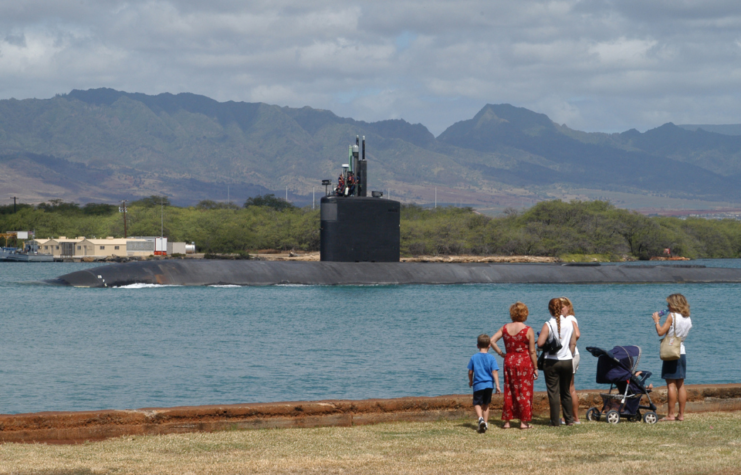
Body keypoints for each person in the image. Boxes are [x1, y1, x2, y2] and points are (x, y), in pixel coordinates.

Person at [490, 302, 538, 429]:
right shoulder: (528, 330)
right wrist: (536, 367)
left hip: (509, 361)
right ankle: (524, 422)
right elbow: (532, 351)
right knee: (524, 391)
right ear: (525, 313)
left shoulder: (505, 328)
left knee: (509, 391)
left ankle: (507, 422)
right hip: (524, 362)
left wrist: (501, 353)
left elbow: (491, 341)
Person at [537, 298, 577, 427]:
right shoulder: (570, 323)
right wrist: (568, 354)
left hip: (551, 361)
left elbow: (540, 343)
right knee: (566, 391)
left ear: (550, 309)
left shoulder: (548, 324)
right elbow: (573, 343)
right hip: (567, 361)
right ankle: (569, 420)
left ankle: (555, 421)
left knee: (553, 392)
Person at [653, 293, 692, 422]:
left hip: (671, 351)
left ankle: (670, 414)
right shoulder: (687, 318)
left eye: (669, 304)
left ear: (675, 305)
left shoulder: (672, 316)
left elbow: (660, 332)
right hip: (681, 350)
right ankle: (680, 415)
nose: (667, 306)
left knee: (670, 384)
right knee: (680, 384)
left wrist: (656, 321)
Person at [467, 334, 501, 433]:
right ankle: (485, 423)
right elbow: (494, 371)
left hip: (478, 384)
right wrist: (498, 386)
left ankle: (480, 419)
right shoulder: (491, 358)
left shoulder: (474, 357)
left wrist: (471, 381)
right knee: (486, 404)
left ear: (477, 346)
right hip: (489, 385)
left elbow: (470, 372)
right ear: (489, 345)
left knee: (477, 403)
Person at [560, 297, 581, 424]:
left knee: (568, 388)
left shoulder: (570, 318)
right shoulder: (567, 319)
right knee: (569, 387)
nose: (561, 309)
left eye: (562, 307)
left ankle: (572, 417)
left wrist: (567, 345)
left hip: (571, 355)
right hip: (572, 355)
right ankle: (572, 417)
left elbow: (577, 334)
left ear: (568, 307)